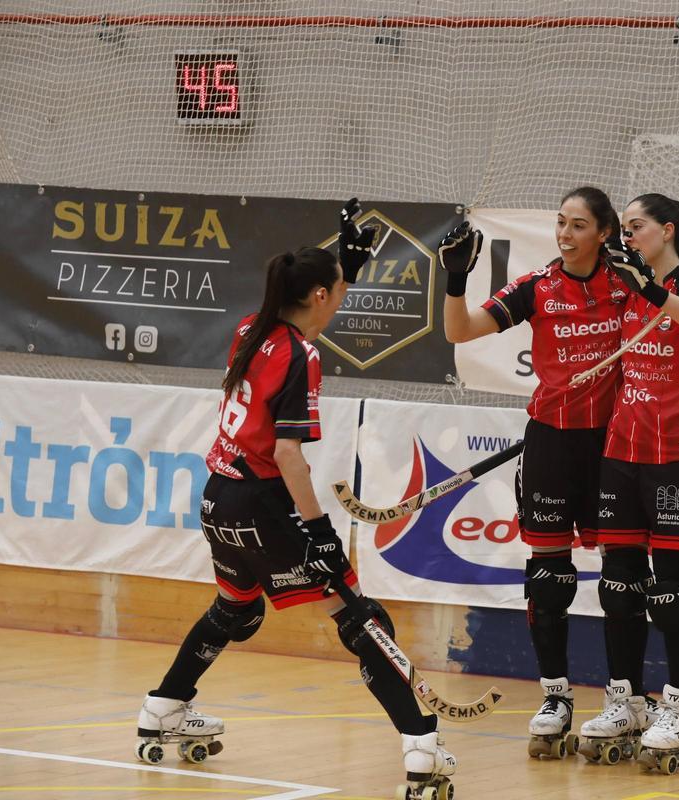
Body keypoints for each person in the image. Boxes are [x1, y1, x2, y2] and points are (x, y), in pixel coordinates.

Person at [134, 201, 456, 797]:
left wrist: (343, 268)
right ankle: (423, 746)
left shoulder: (250, 329)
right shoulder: (302, 356)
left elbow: (303, 314)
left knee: (237, 608)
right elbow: (287, 455)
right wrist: (321, 532)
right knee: (360, 617)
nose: (340, 301)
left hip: (218, 498)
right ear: (316, 294)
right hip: (262, 503)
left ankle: (164, 707)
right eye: (337, 292)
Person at [440, 187, 627, 756]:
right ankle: (556, 695)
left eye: (578, 226)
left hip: (613, 444)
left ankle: (626, 698)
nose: (565, 235)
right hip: (549, 441)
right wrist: (453, 281)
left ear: (603, 233)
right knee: (548, 576)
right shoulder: (538, 287)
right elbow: (460, 331)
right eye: (561, 224)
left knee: (624, 574)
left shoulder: (627, 285)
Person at [579, 193, 679, 770]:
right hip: (622, 451)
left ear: (668, 231)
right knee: (618, 584)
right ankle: (626, 701)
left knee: (671, 587)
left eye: (637, 227)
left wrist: (660, 288)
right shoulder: (626, 286)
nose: (627, 236)